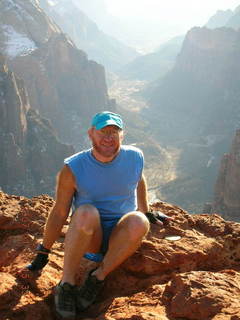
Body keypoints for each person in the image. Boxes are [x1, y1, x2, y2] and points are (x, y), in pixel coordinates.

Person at [27, 111, 170, 319]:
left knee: (139, 221)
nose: (108, 137)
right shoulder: (73, 167)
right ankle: (66, 284)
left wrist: (146, 211)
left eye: (114, 132)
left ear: (122, 135)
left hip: (120, 236)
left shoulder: (135, 156)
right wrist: (43, 252)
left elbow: (139, 179)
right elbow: (59, 212)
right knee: (86, 212)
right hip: (90, 237)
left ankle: (97, 277)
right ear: (91, 134)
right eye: (103, 131)